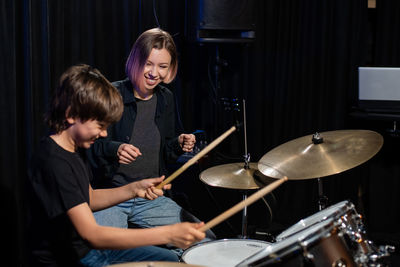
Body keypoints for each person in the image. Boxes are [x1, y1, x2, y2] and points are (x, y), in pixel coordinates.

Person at [26, 64, 205, 267]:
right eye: (100, 126)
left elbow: (90, 198)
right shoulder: (53, 162)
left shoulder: (73, 149)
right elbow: (92, 235)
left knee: (170, 260)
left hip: (90, 252)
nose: (103, 134)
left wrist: (134, 189)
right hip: (73, 259)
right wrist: (167, 233)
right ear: (71, 115)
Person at [87, 28, 215, 250]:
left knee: (203, 241)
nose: (154, 73)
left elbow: (165, 152)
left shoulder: (166, 98)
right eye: (148, 63)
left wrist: (178, 143)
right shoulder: (110, 94)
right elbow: (88, 146)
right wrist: (114, 149)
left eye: (162, 66)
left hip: (150, 198)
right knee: (105, 253)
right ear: (135, 60)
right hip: (112, 197)